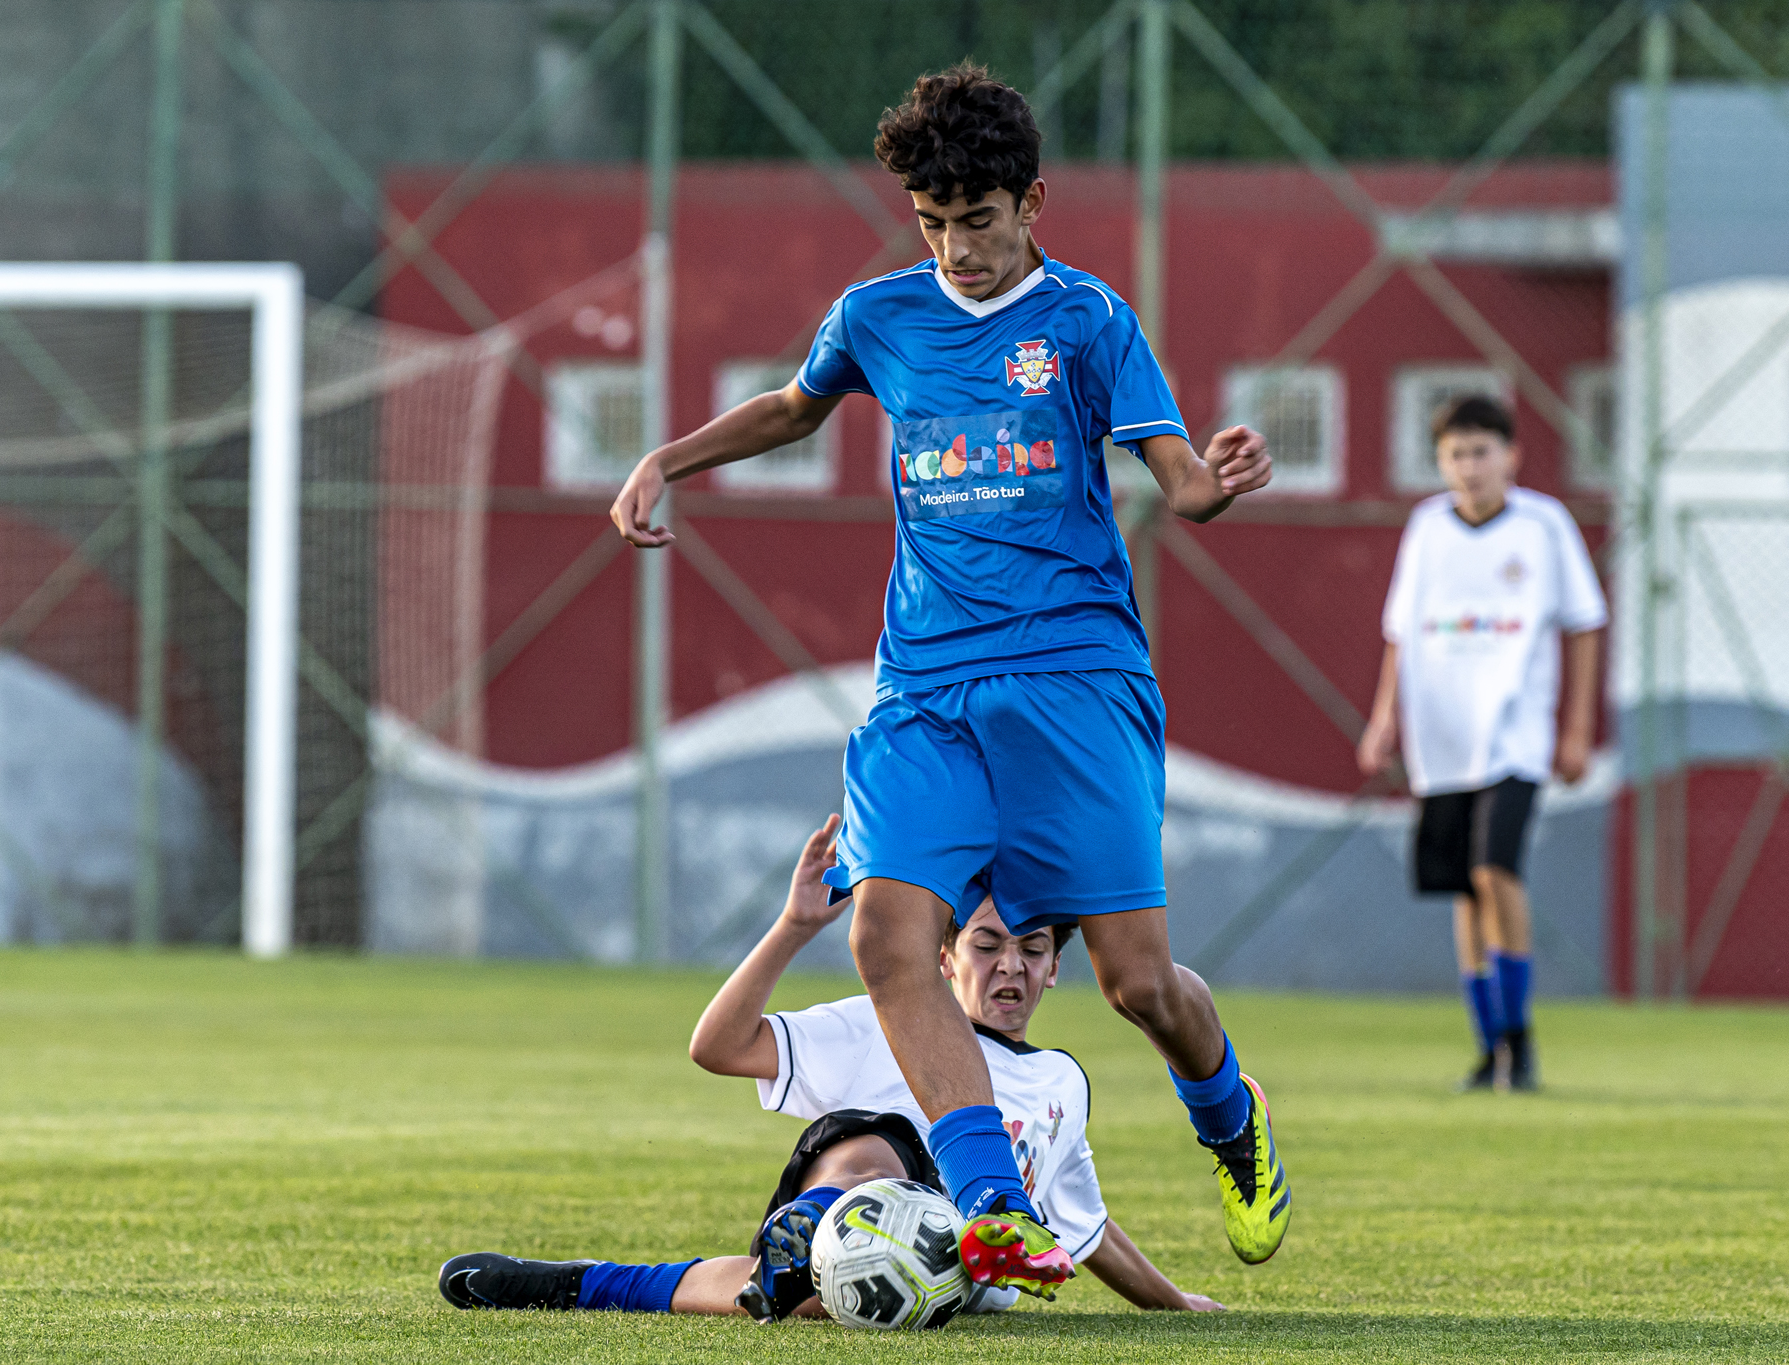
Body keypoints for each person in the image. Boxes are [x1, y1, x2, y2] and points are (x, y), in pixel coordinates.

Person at [608, 62, 1287, 1300]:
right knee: (884, 935)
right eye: (932, 223)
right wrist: (669, 456)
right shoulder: (878, 316)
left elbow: (1177, 481)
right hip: (924, 686)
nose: (956, 248)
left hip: (1075, 681)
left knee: (1137, 983)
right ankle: (991, 1207)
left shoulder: (1087, 321)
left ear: (1030, 203)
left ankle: (1229, 1116)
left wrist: (1220, 477)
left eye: (977, 221)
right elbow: (790, 406)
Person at [437, 816, 1223, 1320]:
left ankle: (635, 1279)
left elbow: (1087, 1227)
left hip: (958, 1285)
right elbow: (718, 1045)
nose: (1010, 966)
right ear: (943, 957)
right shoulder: (886, 1017)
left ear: (1055, 968)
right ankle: (595, 1278)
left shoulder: (1060, 1084)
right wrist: (792, 926)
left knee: (782, 1300)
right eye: (987, 944)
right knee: (879, 1154)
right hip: (865, 1221)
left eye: (1033, 949)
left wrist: (1177, 1303)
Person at [1356, 395, 1608, 1092]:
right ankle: (1488, 1042)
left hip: (1517, 730)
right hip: (1442, 734)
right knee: (1465, 890)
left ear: (1511, 456)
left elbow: (1585, 622)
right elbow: (1400, 631)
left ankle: (1520, 1039)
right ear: (1441, 463)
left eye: (1481, 451)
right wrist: (1385, 718)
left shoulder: (1543, 525)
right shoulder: (1428, 528)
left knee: (1497, 869)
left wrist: (1577, 727)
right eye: (1455, 454)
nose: (1469, 467)